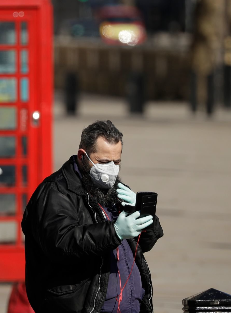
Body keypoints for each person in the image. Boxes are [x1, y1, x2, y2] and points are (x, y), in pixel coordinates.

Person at [21, 120, 164, 313]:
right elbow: (61, 243)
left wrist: (144, 217)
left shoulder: (115, 190)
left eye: (117, 162)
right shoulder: (56, 192)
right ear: (83, 156)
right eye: (104, 162)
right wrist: (114, 232)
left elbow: (143, 244)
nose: (111, 169)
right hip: (86, 306)